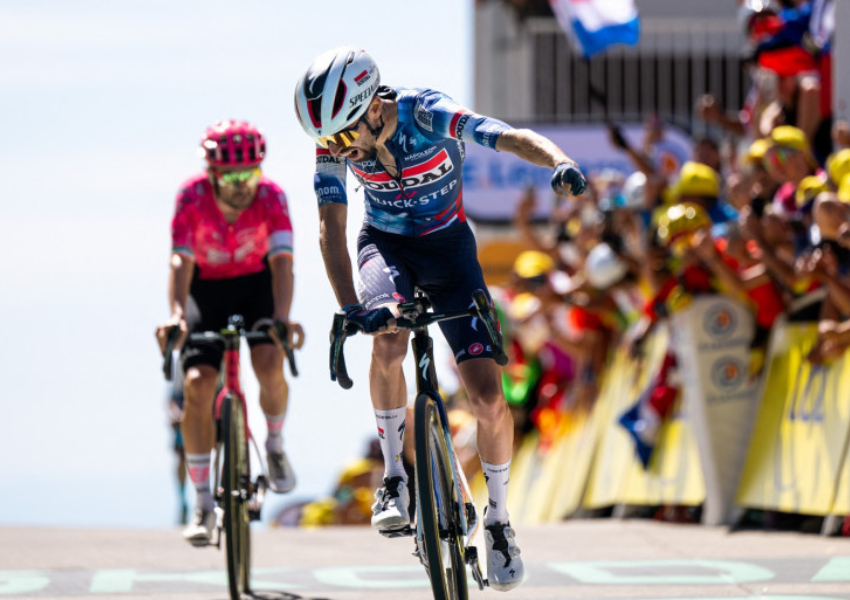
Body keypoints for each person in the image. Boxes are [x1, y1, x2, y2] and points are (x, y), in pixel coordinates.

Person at [294, 46, 587, 591]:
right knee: (385, 339)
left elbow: (505, 134)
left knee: (488, 399)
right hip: (385, 248)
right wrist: (350, 306)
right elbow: (331, 228)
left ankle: (498, 521)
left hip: (451, 252)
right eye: (326, 141)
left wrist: (558, 161)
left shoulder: (426, 112)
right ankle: (396, 478)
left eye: (339, 136)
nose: (333, 150)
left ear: (369, 107)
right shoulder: (332, 147)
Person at [155, 120, 304, 546]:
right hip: (207, 288)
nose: (243, 186)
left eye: (251, 174)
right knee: (199, 384)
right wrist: (177, 316)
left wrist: (282, 316)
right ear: (212, 174)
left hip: (257, 284)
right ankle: (202, 501)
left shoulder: (272, 196)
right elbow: (180, 261)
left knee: (269, 359)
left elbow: (282, 263)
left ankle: (274, 444)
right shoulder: (191, 196)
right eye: (233, 177)